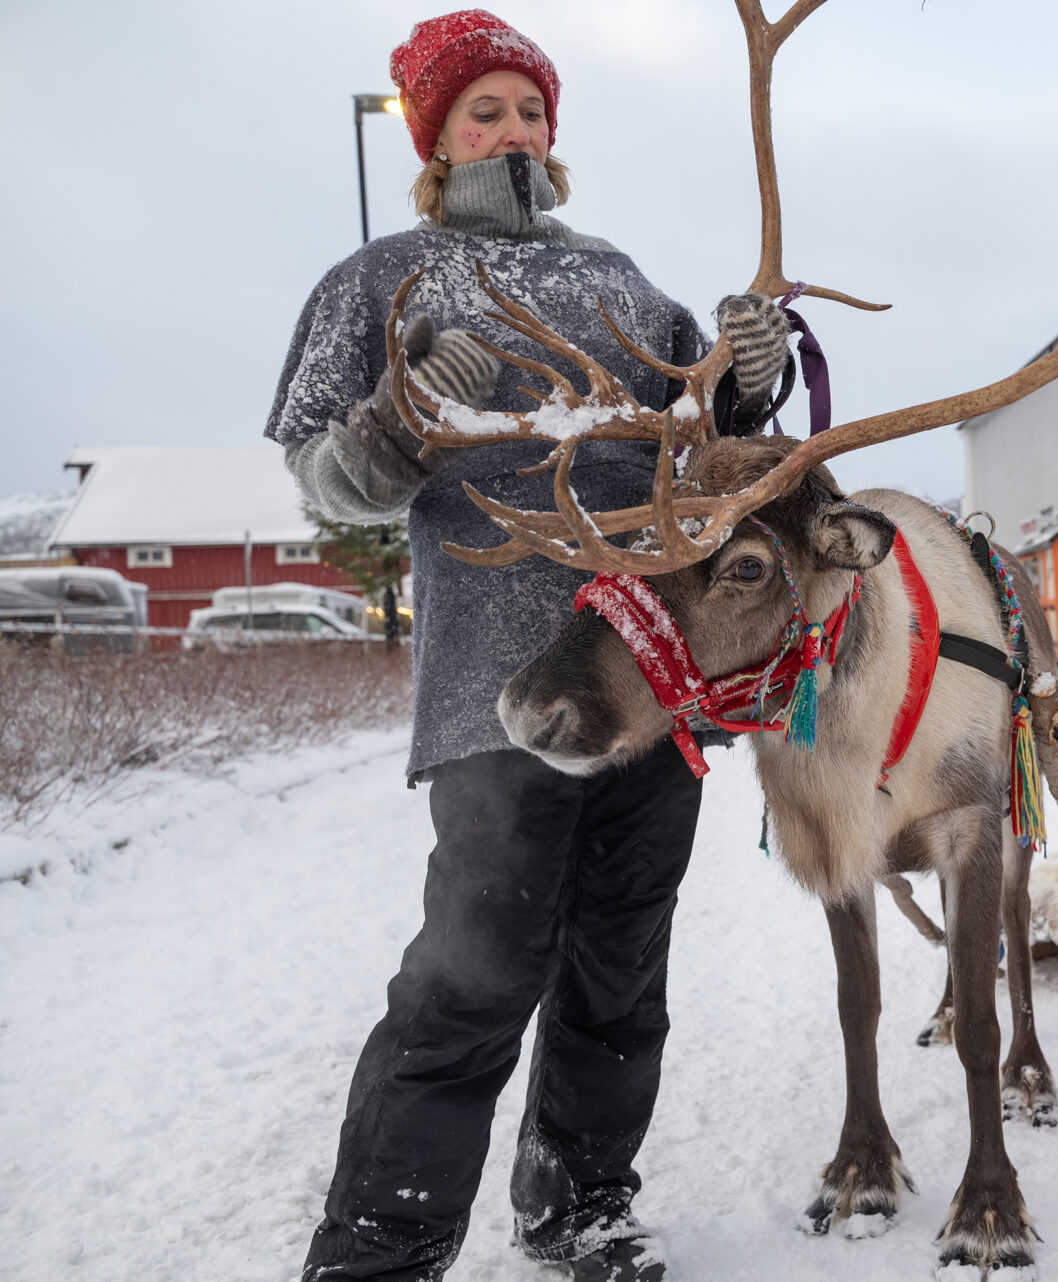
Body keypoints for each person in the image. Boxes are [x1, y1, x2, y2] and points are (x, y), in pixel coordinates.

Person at [266, 13, 790, 1281]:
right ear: (436, 135)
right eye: (484, 111)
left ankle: (580, 1206)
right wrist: (403, 413)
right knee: (477, 972)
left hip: (647, 682)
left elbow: (702, 447)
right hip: (495, 686)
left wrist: (744, 381)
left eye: (529, 110)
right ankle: (379, 1249)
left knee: (621, 972)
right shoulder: (382, 280)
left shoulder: (622, 281)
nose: (512, 130)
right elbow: (328, 483)